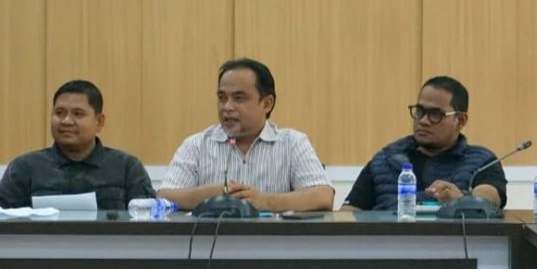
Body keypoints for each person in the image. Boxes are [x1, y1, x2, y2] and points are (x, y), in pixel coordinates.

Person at [158, 58, 334, 212]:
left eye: (239, 98)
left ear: (266, 104)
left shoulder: (292, 143)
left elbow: (323, 196)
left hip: (272, 239)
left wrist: (265, 201)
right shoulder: (197, 145)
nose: (227, 107)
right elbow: (164, 196)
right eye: (222, 98)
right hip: (211, 240)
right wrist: (207, 196)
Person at [341, 76, 506, 211]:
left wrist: (462, 201)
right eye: (420, 111)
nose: (423, 121)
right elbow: (349, 214)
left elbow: (489, 198)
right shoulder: (384, 160)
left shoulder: (482, 161)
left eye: (435, 114)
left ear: (461, 120)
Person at [0, 80, 155, 210]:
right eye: (59, 113)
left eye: (78, 114)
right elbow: (2, 225)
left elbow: (149, 222)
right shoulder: (24, 168)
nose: (66, 121)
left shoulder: (126, 167)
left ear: (99, 122)